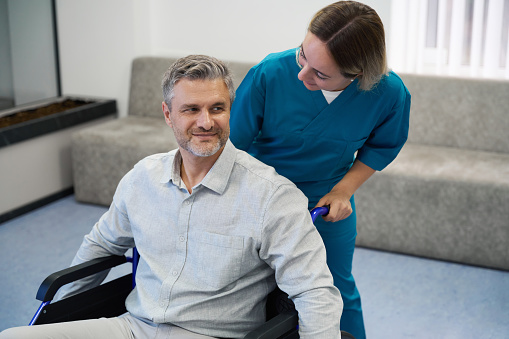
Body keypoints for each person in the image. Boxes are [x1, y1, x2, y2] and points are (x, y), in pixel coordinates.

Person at [0, 55, 342, 339]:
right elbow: (102, 245)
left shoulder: (271, 196)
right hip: (132, 328)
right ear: (168, 115)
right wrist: (60, 315)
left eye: (217, 108)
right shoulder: (142, 179)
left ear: (230, 111)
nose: (206, 122)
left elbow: (315, 292)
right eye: (191, 109)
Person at [229, 2, 411, 338]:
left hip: (325, 201)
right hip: (257, 195)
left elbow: (382, 146)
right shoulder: (270, 72)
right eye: (303, 55)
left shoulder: (388, 93)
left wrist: (344, 191)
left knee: (335, 291)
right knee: (249, 289)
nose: (302, 75)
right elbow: (233, 146)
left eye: (321, 74)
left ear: (359, 75)